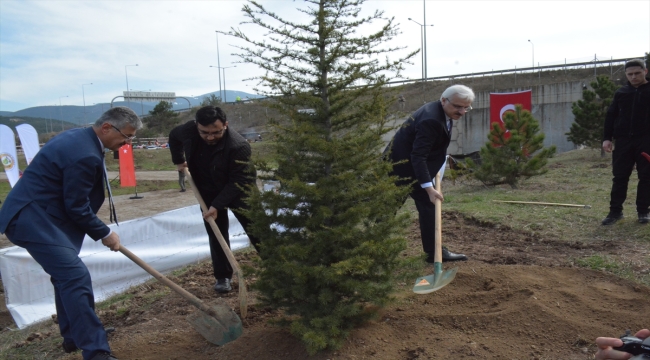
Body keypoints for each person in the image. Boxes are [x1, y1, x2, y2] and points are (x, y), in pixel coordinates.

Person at [0, 107, 142, 360]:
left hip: (46, 216)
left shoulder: (81, 137)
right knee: (74, 276)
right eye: (127, 136)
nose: (127, 142)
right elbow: (76, 206)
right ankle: (96, 351)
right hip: (31, 218)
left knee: (65, 277)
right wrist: (104, 233)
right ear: (107, 127)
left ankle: (74, 337)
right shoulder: (84, 153)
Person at [168, 106, 260, 293]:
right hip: (207, 188)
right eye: (205, 133)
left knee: (258, 231)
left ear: (225, 125)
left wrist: (218, 204)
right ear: (197, 126)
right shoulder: (188, 130)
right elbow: (173, 136)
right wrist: (178, 160)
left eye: (216, 132)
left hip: (240, 191)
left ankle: (278, 271)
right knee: (216, 234)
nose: (210, 137)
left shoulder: (238, 145)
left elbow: (240, 180)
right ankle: (223, 277)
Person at [386, 85, 475, 263]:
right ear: (444, 100)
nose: (462, 112)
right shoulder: (431, 119)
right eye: (458, 106)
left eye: (466, 107)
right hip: (400, 170)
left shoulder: (441, 112)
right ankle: (372, 251)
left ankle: (434, 253)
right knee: (386, 211)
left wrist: (436, 173)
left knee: (429, 208)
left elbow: (432, 151)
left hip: (415, 167)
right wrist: (428, 187)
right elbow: (418, 156)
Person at [601, 58, 650, 225]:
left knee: (647, 176)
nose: (634, 77)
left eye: (637, 73)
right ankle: (615, 212)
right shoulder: (621, 93)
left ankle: (643, 211)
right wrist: (607, 138)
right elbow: (611, 116)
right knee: (620, 176)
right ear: (626, 75)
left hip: (646, 140)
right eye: (630, 74)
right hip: (623, 141)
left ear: (645, 72)